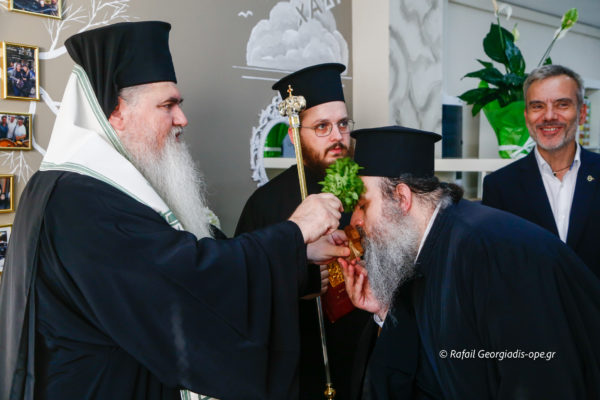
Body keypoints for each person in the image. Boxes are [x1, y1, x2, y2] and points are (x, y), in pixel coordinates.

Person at [0, 21, 350, 400]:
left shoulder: (95, 187)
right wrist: (294, 232)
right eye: (168, 105)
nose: (182, 119)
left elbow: (194, 263)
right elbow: (187, 283)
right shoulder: (79, 200)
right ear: (116, 111)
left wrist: (299, 254)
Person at [340, 125, 600, 399]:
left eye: (363, 206)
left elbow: (538, 379)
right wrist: (385, 311)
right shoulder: (425, 247)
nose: (356, 222)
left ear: (402, 198)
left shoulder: (493, 253)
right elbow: (432, 371)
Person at [236, 63, 373, 400]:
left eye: (343, 124)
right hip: (301, 364)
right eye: (322, 127)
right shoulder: (266, 204)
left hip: (369, 354)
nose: (337, 137)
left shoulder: (373, 188)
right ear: (294, 135)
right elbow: (244, 290)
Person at [482, 64, 600, 278]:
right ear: (526, 116)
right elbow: (498, 269)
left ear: (582, 113)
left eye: (562, 104)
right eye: (537, 106)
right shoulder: (500, 186)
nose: (549, 116)